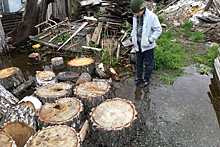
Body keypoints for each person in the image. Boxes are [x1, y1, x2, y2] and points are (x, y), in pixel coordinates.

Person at [130, 0, 162, 88]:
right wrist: (132, 37)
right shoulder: (135, 16)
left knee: (148, 64)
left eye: (137, 12)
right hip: (138, 45)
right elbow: (135, 28)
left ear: (142, 8)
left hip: (148, 46)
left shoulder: (152, 17)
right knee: (138, 63)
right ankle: (139, 78)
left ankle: (146, 79)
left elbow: (158, 30)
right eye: (135, 13)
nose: (136, 14)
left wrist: (150, 40)